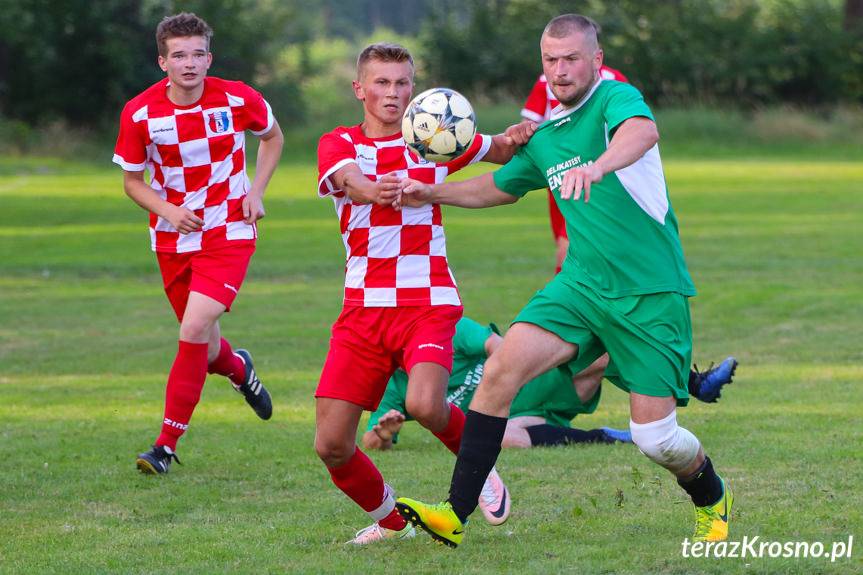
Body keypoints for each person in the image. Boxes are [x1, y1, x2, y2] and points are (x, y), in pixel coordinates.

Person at [394, 14, 734, 547]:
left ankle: (711, 494)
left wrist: (598, 167)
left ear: (595, 60)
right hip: (578, 287)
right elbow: (498, 188)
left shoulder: (614, 100)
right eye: (550, 60)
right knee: (500, 370)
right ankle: (454, 514)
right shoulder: (546, 136)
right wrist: (429, 192)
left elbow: (643, 132)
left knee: (656, 439)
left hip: (649, 291)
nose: (559, 69)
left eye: (571, 58)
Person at [314, 42, 534, 544]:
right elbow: (348, 180)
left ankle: (479, 470)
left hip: (427, 300)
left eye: (402, 83)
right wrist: (373, 189)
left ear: (414, 87)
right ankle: (393, 523)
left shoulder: (433, 135)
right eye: (382, 83)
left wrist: (516, 136)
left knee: (427, 405)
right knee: (331, 444)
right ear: (359, 89)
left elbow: (496, 148)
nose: (393, 93)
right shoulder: (340, 142)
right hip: (362, 308)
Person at [112, 12, 284, 474]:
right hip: (171, 238)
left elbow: (272, 138)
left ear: (209, 58)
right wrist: (168, 212)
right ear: (162, 62)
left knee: (190, 332)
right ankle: (239, 368)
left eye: (197, 54)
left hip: (228, 231)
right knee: (205, 349)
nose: (189, 63)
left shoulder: (237, 97)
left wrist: (256, 192)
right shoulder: (140, 112)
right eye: (179, 55)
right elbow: (132, 181)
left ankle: (165, 446)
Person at [362, 317, 736, 451]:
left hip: (539, 382)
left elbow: (502, 350)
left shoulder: (447, 332)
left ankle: (693, 382)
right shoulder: (396, 388)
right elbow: (370, 442)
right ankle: (605, 436)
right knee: (501, 438)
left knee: (602, 355)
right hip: (517, 420)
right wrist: (384, 431)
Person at [522, 62, 629, 273]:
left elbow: (629, 128)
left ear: (596, 53)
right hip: (556, 174)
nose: (561, 65)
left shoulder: (613, 80)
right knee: (567, 245)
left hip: (594, 177)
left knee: (568, 245)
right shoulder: (547, 80)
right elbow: (529, 124)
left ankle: (567, 299)